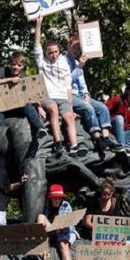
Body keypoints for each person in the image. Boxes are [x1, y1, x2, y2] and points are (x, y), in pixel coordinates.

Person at [33, 16, 84, 158]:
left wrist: (71, 106)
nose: (53, 55)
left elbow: (68, 86)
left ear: (59, 51)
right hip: (48, 96)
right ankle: (58, 143)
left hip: (63, 96)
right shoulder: (42, 62)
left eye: (55, 52)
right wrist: (38, 24)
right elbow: (37, 44)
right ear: (46, 53)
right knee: (53, 110)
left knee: (69, 117)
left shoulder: (64, 62)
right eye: (50, 52)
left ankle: (74, 146)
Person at [66, 35, 120, 153]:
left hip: (80, 95)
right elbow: (67, 80)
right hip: (69, 95)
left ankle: (106, 138)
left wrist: (86, 94)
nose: (76, 50)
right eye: (74, 47)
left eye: (78, 48)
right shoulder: (63, 61)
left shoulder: (77, 62)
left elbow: (82, 81)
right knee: (88, 108)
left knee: (102, 107)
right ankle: (97, 138)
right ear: (68, 46)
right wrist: (80, 66)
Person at [0, 52, 47, 150]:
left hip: (17, 108)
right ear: (10, 64)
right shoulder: (2, 71)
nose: (15, 67)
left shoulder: (24, 77)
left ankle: (39, 128)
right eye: (13, 64)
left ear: (22, 66)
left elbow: (33, 95)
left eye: (19, 65)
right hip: (2, 108)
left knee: (28, 106)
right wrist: (10, 80)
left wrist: (39, 107)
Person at [36, 184, 78, 260]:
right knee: (41, 217)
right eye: (55, 198)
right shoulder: (45, 205)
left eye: (59, 198)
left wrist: (61, 227)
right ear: (50, 198)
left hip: (65, 231)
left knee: (63, 244)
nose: (57, 200)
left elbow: (69, 225)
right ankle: (39, 239)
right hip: (51, 230)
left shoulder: (66, 206)